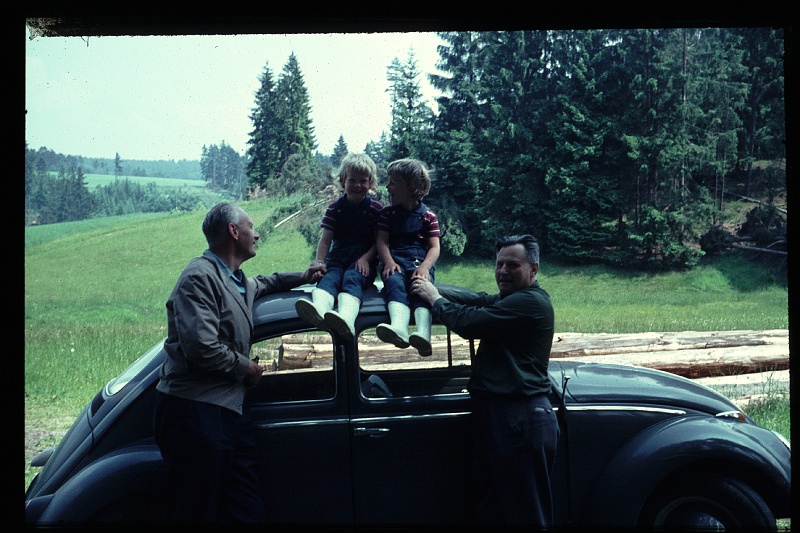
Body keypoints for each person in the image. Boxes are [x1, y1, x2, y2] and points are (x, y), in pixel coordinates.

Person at [153, 202, 323, 523]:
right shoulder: (199, 277)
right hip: (195, 414)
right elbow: (201, 347)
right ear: (234, 231)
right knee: (196, 512)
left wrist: (303, 276)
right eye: (251, 227)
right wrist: (245, 367)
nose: (256, 234)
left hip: (228, 414)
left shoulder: (235, 279)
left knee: (246, 512)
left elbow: (266, 282)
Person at [410, 234, 558, 527]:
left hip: (519, 415)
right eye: (499, 264)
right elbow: (479, 299)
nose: (503, 271)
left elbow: (469, 322)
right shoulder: (512, 298)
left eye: (512, 265)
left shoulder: (530, 303)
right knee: (494, 509)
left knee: (525, 512)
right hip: (501, 413)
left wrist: (433, 297)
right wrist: (427, 286)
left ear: (534, 269)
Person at [295, 153, 383, 340]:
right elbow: (325, 240)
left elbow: (380, 241)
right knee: (330, 278)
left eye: (363, 181)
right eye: (352, 180)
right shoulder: (335, 209)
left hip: (362, 262)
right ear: (343, 181)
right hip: (338, 258)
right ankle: (319, 309)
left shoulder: (376, 209)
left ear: (371, 182)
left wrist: (366, 258)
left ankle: (347, 318)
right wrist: (320, 261)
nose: (357, 185)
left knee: (352, 278)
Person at [375, 158, 440, 356]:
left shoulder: (428, 216)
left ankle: (423, 333)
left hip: (420, 263)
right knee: (394, 282)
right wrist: (388, 262)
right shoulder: (387, 213)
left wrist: (425, 268)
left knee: (421, 289)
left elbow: (434, 247)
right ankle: (399, 328)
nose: (387, 187)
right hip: (396, 261)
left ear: (411, 187)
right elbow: (382, 242)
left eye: (393, 183)